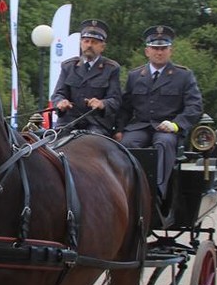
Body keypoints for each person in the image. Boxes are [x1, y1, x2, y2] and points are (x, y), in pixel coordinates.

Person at [116, 25, 203, 197]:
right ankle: (129, 189)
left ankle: (156, 193)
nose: (159, 52)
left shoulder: (183, 75)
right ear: (147, 51)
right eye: (155, 48)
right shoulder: (135, 76)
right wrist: (119, 130)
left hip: (167, 129)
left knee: (163, 144)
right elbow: (125, 107)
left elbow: (195, 107)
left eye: (163, 48)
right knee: (126, 144)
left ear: (170, 51)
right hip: (140, 127)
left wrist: (176, 125)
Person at [50, 19, 121, 135]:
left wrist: (102, 104)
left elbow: (115, 100)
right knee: (50, 144)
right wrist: (61, 102)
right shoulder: (68, 66)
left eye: (94, 42)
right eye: (86, 41)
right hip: (68, 121)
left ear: (102, 46)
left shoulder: (111, 68)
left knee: (91, 144)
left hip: (96, 123)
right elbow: (58, 94)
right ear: (81, 43)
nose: (89, 45)